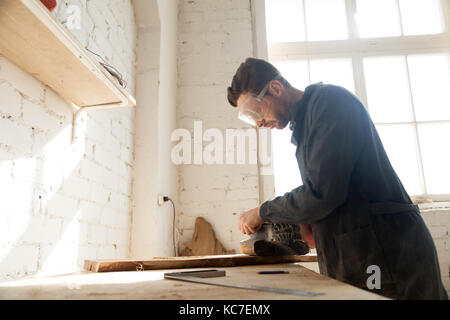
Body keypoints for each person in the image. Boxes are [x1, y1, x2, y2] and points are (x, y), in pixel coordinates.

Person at [227, 57, 448, 300]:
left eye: (255, 112)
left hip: (387, 251)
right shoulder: (304, 126)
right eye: (250, 118)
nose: (258, 123)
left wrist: (263, 211)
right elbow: (329, 191)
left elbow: (322, 194)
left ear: (275, 88)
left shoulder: (329, 103)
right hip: (360, 253)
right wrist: (308, 221)